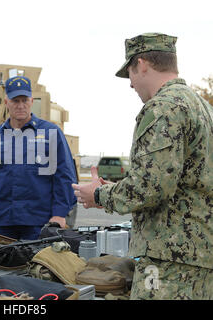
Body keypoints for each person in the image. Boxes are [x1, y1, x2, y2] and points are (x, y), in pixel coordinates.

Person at [72, 33, 213, 300]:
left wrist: (99, 195)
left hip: (169, 262)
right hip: (199, 259)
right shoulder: (202, 107)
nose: (131, 85)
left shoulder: (164, 107)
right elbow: (182, 182)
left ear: (142, 63)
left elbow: (151, 188)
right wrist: (119, 190)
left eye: (131, 74)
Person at [0, 75, 78, 240]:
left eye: (24, 100)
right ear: (7, 102)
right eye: (15, 101)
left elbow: (64, 176)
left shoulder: (51, 133)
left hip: (40, 221)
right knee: (1, 265)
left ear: (31, 101)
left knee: (38, 265)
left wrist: (59, 214)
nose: (20, 106)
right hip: (2, 221)